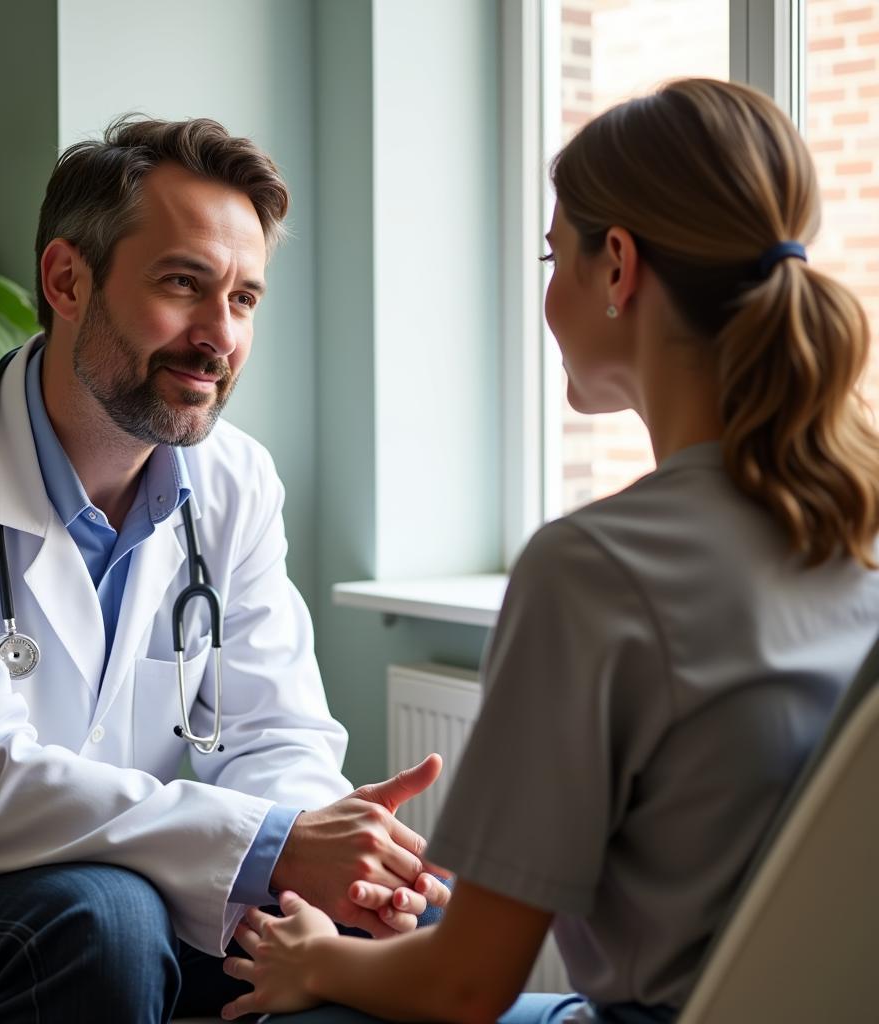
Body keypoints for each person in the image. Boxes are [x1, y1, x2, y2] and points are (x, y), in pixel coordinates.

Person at [216, 78, 879, 1024]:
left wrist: (316, 962)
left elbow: (466, 984)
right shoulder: (855, 526)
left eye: (552, 252)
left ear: (619, 267)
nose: (548, 288)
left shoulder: (599, 569)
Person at [0, 117, 449, 1024]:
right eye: (184, 284)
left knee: (390, 923)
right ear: (66, 279)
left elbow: (278, 736)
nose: (219, 336)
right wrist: (275, 845)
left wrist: (322, 858)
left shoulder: (236, 479)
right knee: (105, 917)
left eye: (245, 299)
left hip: (155, 880)